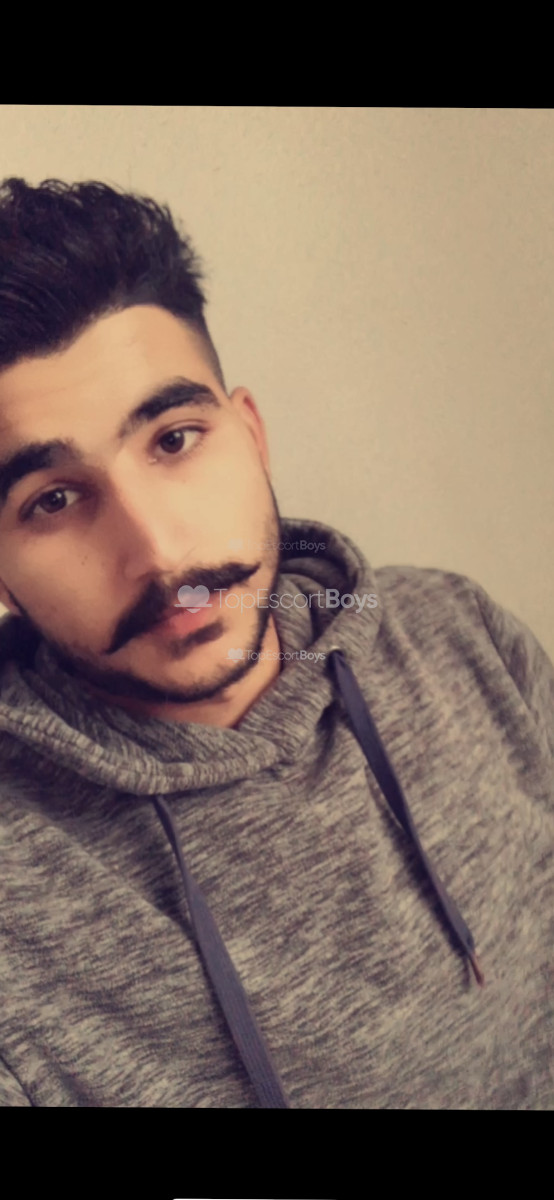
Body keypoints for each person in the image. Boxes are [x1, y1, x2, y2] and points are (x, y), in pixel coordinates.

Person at [0, 177, 552, 1109]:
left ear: (250, 435)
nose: (159, 552)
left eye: (174, 440)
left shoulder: (459, 633)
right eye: (53, 499)